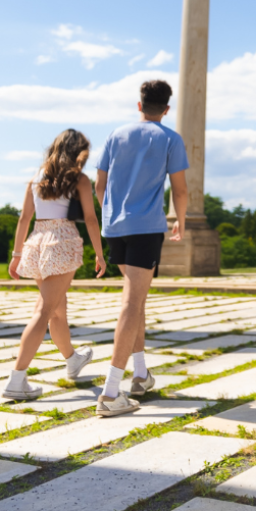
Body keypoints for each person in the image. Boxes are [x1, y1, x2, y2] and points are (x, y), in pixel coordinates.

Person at [93, 79, 188, 416]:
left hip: (115, 226)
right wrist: (181, 219)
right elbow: (180, 189)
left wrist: (110, 215)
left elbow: (99, 184)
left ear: (139, 105)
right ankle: (109, 393)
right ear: (166, 109)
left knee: (138, 298)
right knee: (132, 303)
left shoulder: (115, 135)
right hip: (146, 227)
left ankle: (141, 374)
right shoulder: (170, 139)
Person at [3, 127, 104, 401]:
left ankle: (71, 359)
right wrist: (100, 253)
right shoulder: (79, 180)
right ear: (78, 153)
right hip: (62, 240)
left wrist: (16, 254)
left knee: (57, 309)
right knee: (44, 310)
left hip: (37, 240)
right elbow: (91, 219)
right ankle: (16, 379)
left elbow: (24, 219)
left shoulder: (36, 179)